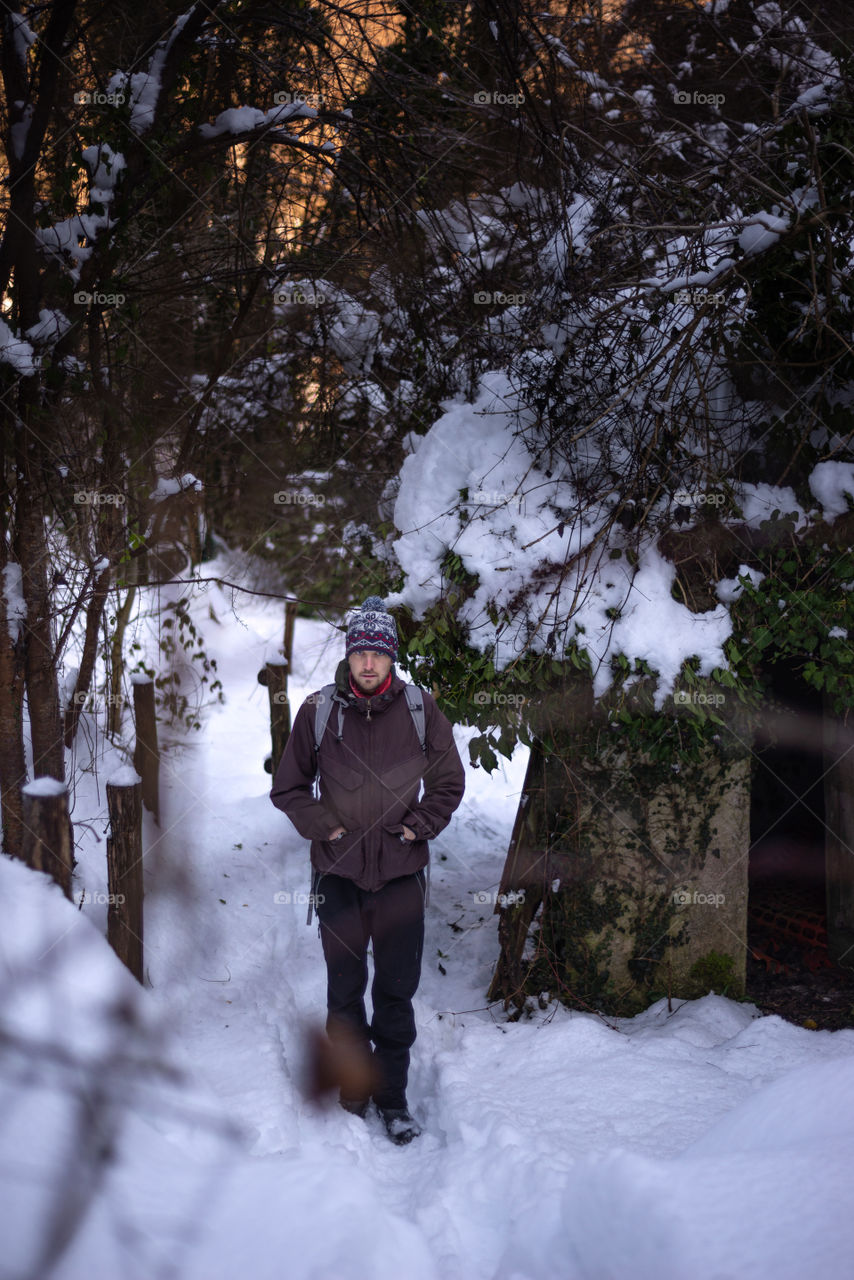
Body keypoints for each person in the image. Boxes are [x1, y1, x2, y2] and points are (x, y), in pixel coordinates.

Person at [271, 595, 466, 1144]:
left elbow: (449, 783)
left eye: (378, 654)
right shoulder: (318, 711)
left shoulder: (421, 711)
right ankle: (353, 1094)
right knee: (344, 992)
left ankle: (394, 1099)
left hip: (401, 877)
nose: (368, 664)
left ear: (392, 657)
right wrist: (326, 825)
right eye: (360, 652)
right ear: (349, 654)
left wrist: (417, 827)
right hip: (338, 876)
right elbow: (287, 788)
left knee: (396, 994)